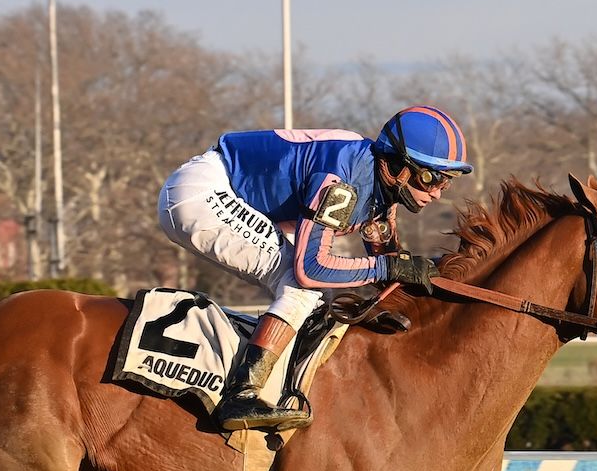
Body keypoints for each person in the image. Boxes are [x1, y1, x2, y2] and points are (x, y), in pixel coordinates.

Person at [158, 106, 472, 431]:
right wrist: (390, 267)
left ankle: (277, 379)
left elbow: (390, 265)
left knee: (321, 295)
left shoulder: (382, 192)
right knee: (302, 286)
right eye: (430, 178)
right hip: (201, 192)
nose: (436, 193)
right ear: (397, 166)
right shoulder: (341, 182)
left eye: (445, 183)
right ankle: (241, 393)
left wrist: (437, 278)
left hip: (221, 191)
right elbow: (313, 268)